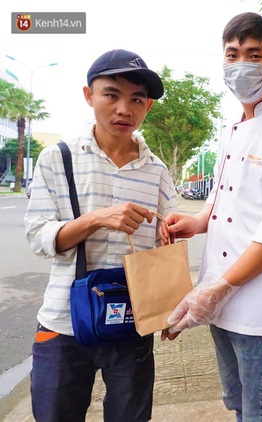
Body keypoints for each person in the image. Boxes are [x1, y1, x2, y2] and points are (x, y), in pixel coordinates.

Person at [160, 12, 262, 422]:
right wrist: (196, 221)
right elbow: (223, 198)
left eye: (254, 54)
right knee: (236, 401)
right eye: (233, 55)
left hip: (258, 303)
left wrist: (216, 290)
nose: (241, 64)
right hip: (219, 293)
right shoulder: (231, 129)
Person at [24, 49, 177, 422]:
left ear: (148, 108)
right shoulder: (56, 159)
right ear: (88, 96)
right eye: (112, 94)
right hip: (63, 324)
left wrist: (170, 307)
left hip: (131, 321)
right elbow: (39, 236)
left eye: (136, 99)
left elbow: (168, 242)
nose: (124, 108)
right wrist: (95, 219)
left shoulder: (156, 171)